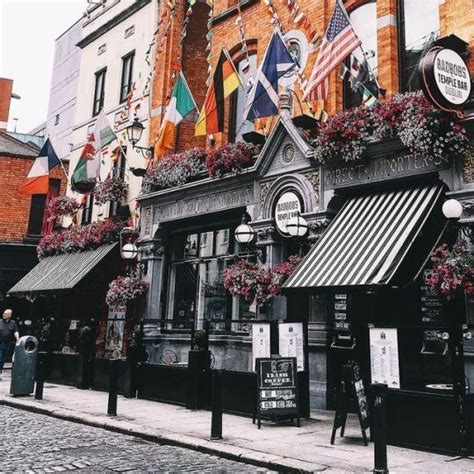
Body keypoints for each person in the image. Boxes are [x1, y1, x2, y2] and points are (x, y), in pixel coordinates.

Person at [0, 309, 19, 380]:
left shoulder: (13, 323)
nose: (4, 315)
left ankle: (0, 373)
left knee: (3, 359)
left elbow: (15, 331)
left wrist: (18, 339)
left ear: (10, 315)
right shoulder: (0, 322)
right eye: (4, 313)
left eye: (6, 314)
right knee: (0, 358)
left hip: (7, 344)